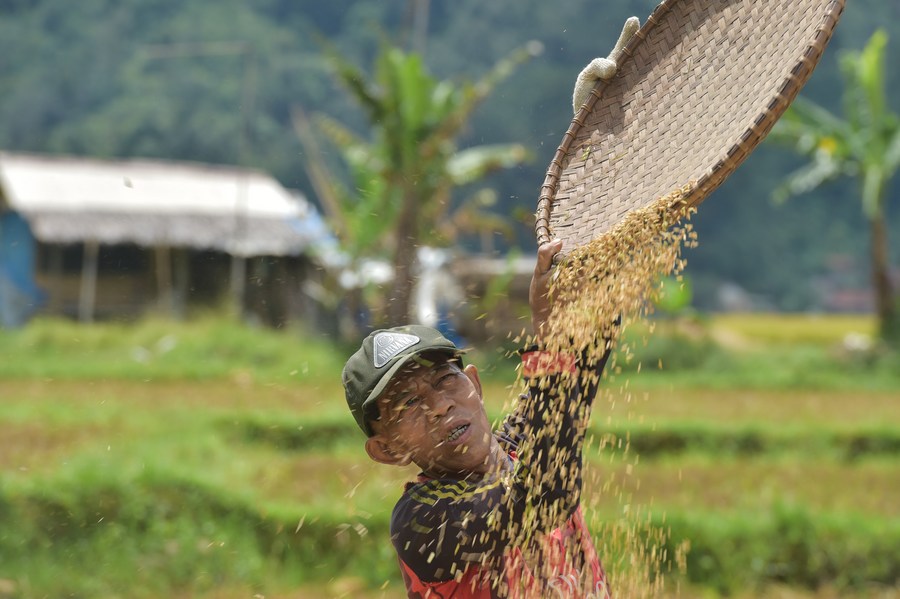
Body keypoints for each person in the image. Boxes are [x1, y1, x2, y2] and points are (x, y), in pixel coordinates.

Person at [342, 239, 614, 598]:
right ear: (388, 449)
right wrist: (548, 342)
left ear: (473, 383)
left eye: (444, 380)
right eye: (408, 403)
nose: (439, 406)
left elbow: (581, 363)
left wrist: (596, 278)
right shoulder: (421, 521)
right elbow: (543, 497)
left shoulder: (518, 447)